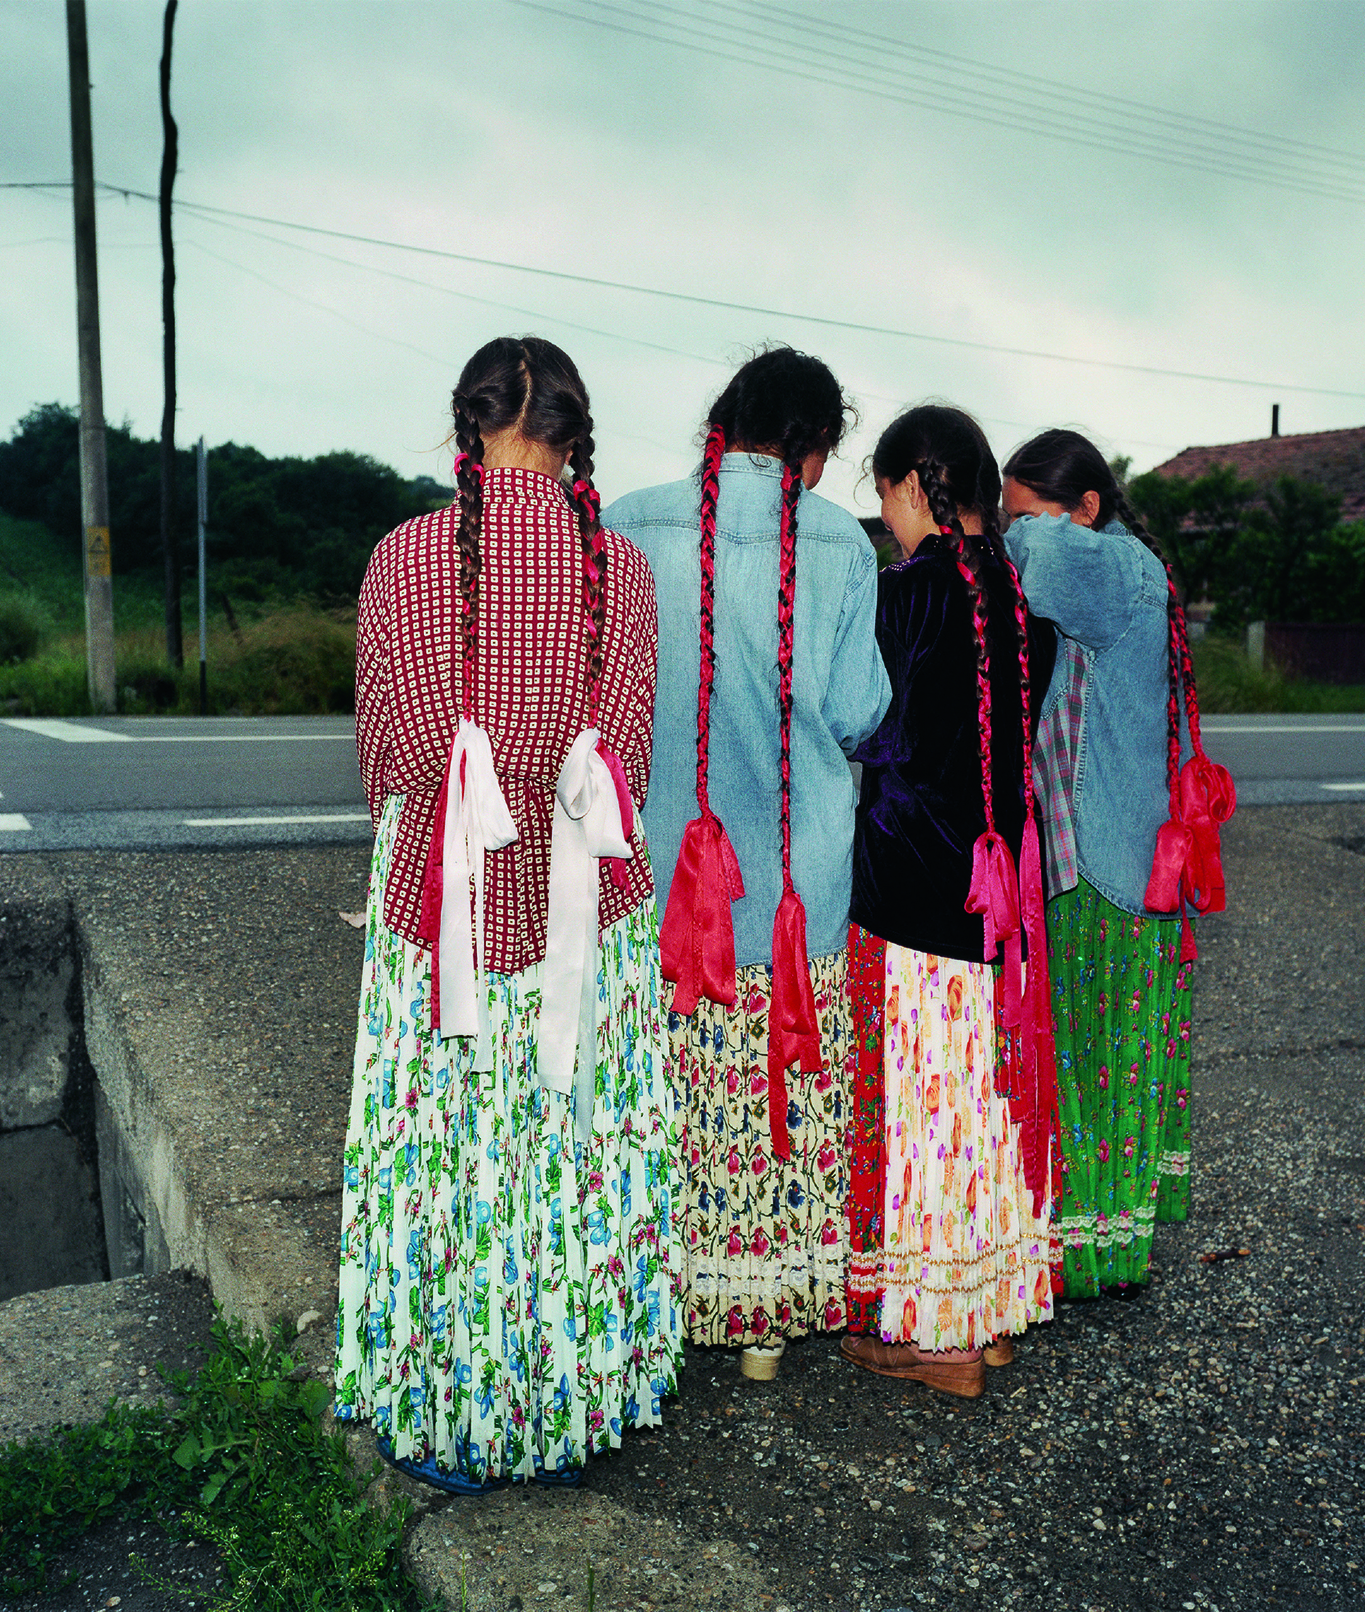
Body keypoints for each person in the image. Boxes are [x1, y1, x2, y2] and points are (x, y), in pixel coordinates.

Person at [339, 336, 679, 1490]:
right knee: (571, 1153)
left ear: (463, 426)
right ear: (573, 436)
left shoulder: (400, 557)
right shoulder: (618, 571)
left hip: (446, 910)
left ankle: (454, 1410)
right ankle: (572, 1404)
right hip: (582, 904)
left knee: (454, 1161)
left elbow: (386, 755)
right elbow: (623, 752)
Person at [603, 349, 890, 1381]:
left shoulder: (629, 522)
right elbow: (860, 713)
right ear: (813, 448)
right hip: (797, 878)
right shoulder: (840, 548)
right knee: (785, 1088)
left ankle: (664, 1295)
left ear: (718, 427)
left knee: (676, 1091)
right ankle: (768, 1323)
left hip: (669, 880)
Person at [843, 405, 1060, 1400]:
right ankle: (988, 1310)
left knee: (927, 1110)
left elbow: (874, 734)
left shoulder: (905, 595)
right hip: (999, 895)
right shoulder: (1022, 602)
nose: (883, 516)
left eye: (882, 494)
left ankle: (936, 1338)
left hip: (914, 888)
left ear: (906, 487)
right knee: (981, 1103)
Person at [1000, 427, 1205, 1298]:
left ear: (1088, 507)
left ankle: (1093, 1258)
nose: (1012, 533)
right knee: (1107, 1060)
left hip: (1107, 869)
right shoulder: (1121, 565)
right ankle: (1106, 1250)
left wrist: (989, 527)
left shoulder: (1116, 569)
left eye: (1028, 513)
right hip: (1109, 859)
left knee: (1095, 1061)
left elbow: (1033, 565)